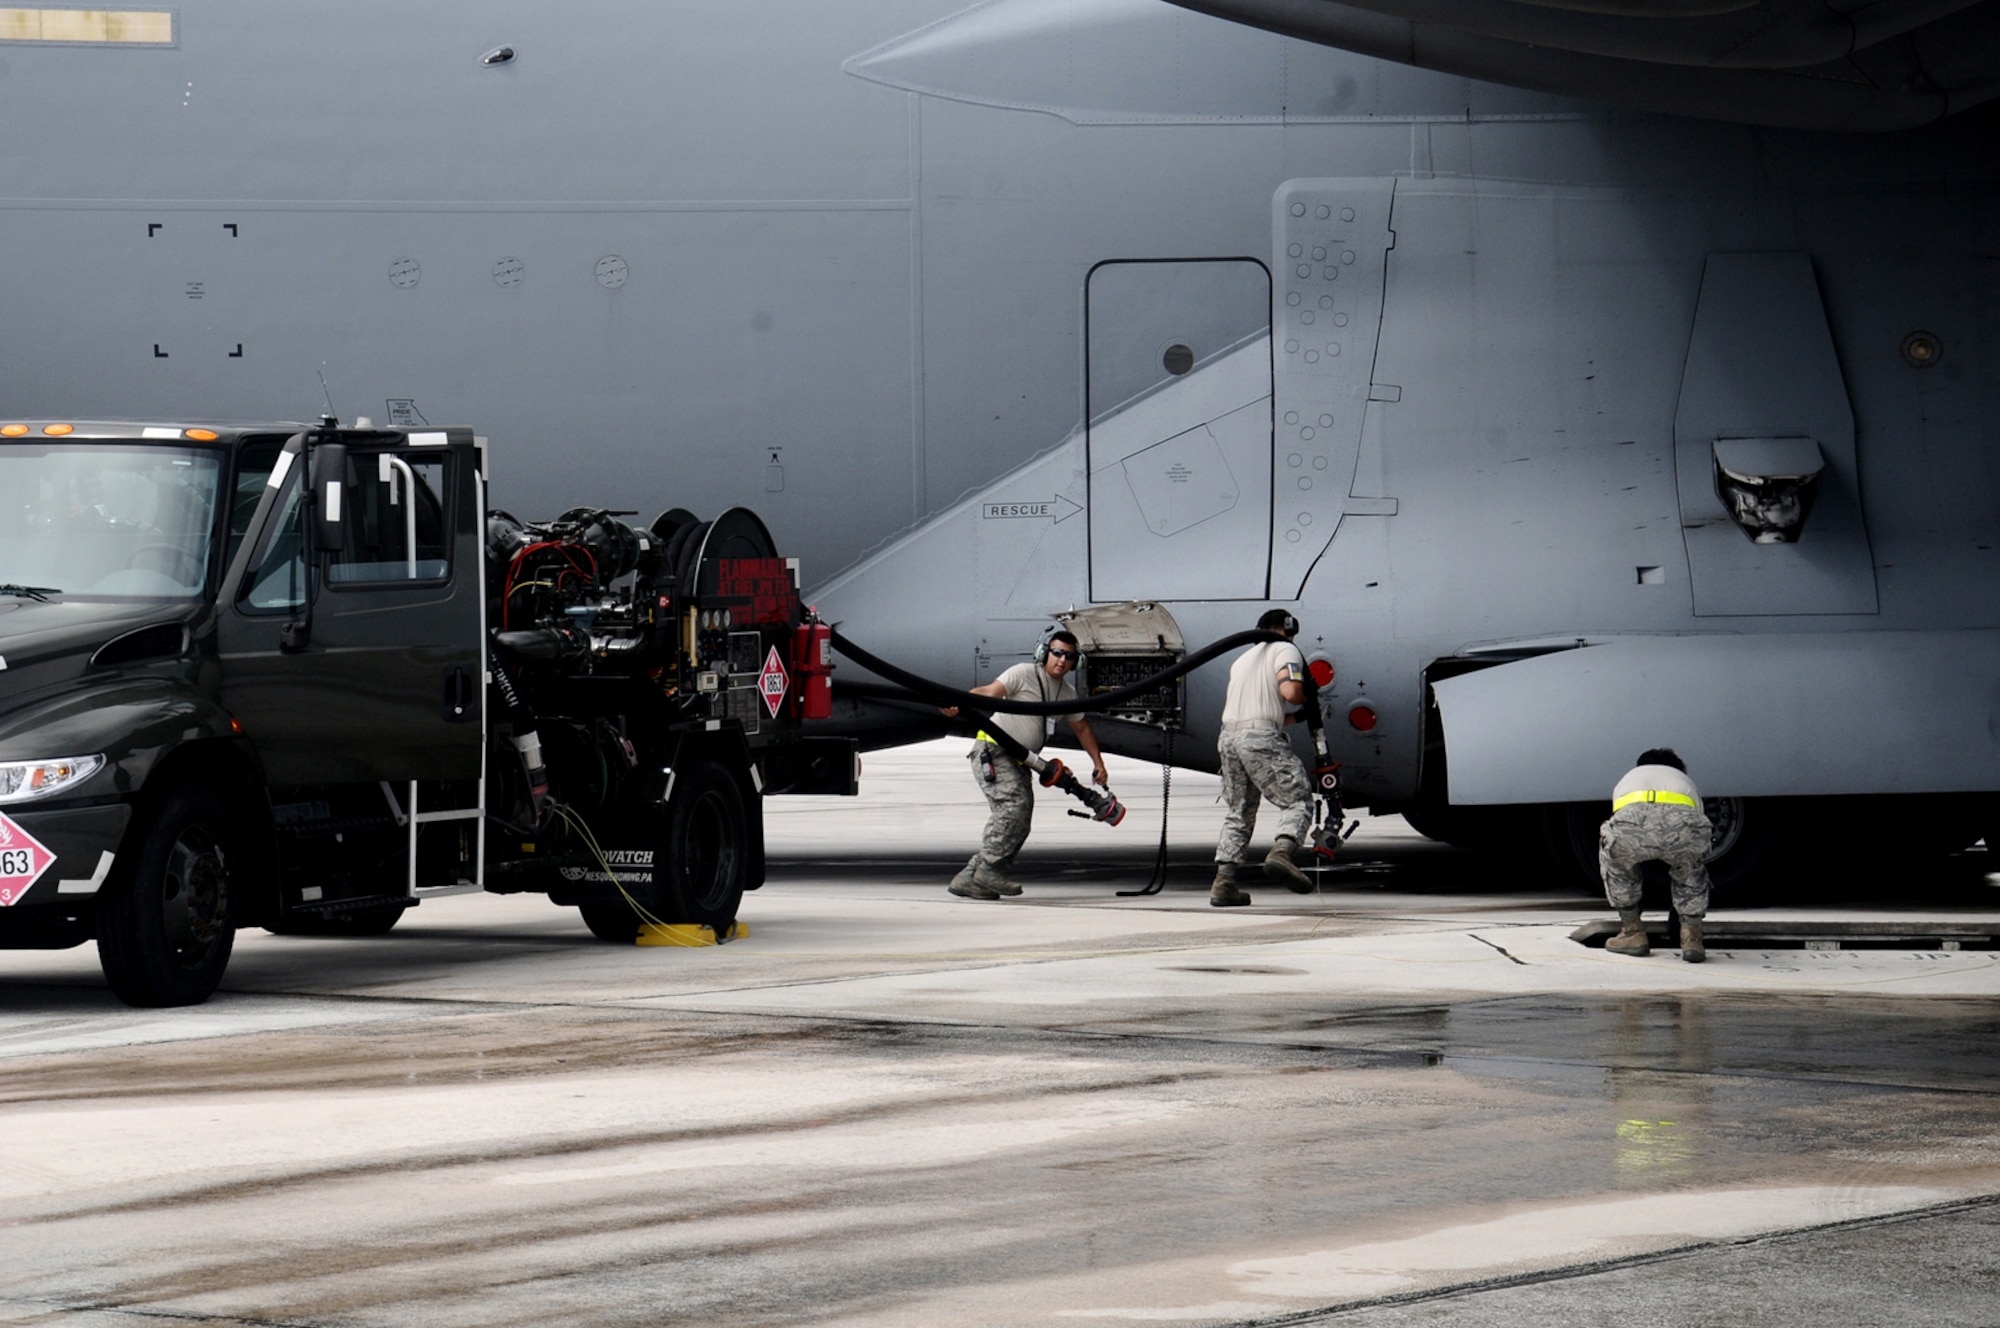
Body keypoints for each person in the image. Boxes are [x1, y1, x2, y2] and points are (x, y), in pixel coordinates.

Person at [943, 628, 1109, 901]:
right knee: (1014, 808)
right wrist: (958, 703)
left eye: (1068, 656)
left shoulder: (1066, 693)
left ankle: (970, 878)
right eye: (1056, 653)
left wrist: (1098, 763)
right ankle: (989, 870)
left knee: (1021, 817)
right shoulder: (1023, 673)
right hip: (993, 751)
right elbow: (988, 692)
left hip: (1020, 759)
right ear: (1044, 653)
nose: (1061, 660)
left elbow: (1083, 729)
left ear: (1075, 661)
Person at [1211, 609, 1316, 907]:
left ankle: (1224, 883)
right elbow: (1291, 692)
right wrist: (1307, 693)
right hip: (1259, 738)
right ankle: (1281, 854)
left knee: (1239, 810)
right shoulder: (1285, 649)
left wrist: (1299, 716)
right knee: (1297, 799)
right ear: (1285, 630)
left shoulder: (1242, 660)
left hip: (1229, 738)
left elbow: (1266, 712)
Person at [1599, 747, 1713, 962]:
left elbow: (1620, 820)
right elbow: (1698, 821)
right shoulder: (1684, 781)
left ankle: (1632, 933)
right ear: (1678, 769)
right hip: (1683, 824)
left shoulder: (1630, 778)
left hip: (1632, 823)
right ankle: (1692, 940)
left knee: (1616, 864)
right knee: (1691, 871)